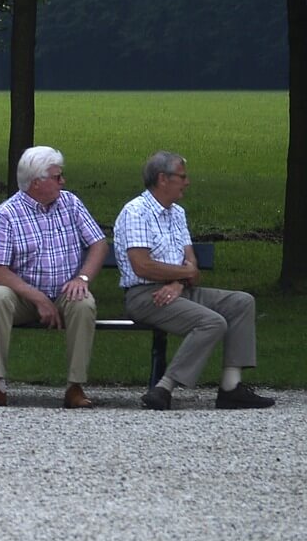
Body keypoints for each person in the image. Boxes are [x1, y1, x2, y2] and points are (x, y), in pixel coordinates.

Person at [114, 151, 275, 411]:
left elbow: (192, 267)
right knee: (212, 322)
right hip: (145, 296)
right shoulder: (136, 212)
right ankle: (164, 388)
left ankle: (231, 388)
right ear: (163, 179)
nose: (187, 182)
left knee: (241, 302)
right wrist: (182, 274)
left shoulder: (177, 213)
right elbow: (142, 266)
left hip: (179, 291)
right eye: (182, 176)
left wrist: (179, 283)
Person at [0, 146, 107, 409]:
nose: (63, 181)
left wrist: (83, 278)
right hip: (23, 297)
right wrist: (37, 299)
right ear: (36, 182)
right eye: (57, 177)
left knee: (84, 303)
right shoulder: (7, 214)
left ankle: (75, 387)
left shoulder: (70, 203)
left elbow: (99, 244)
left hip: (65, 293)